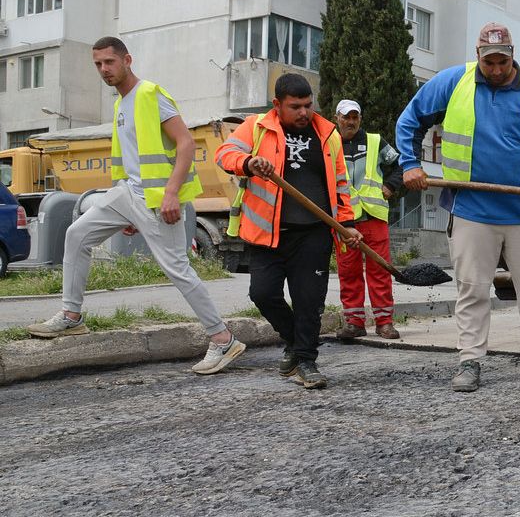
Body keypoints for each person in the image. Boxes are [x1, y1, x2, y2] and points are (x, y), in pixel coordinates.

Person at [26, 36, 245, 375]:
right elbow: (129, 162)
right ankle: (72, 316)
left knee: (178, 270)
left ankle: (223, 339)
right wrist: (123, 212)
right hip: (128, 194)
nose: (103, 70)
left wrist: (171, 193)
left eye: (109, 62)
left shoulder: (149, 94)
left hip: (158, 201)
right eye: (98, 64)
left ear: (126, 60)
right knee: (77, 234)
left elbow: (186, 144)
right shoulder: (120, 104)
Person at [396, 21, 520, 392]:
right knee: (473, 289)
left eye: (502, 61)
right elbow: (410, 120)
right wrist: (410, 164)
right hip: (472, 210)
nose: (496, 70)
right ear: (477, 57)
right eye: (489, 63)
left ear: (513, 56)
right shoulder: (454, 82)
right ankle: (470, 361)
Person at [215, 74, 362, 389]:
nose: (304, 113)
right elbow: (224, 155)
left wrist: (347, 223)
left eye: (308, 105)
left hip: (313, 233)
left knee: (310, 300)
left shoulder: (327, 134)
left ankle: (306, 361)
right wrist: (248, 162)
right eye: (295, 107)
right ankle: (295, 342)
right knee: (263, 294)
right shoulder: (256, 127)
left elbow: (340, 185)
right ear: (277, 105)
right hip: (268, 233)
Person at [332, 99, 405, 340]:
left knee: (379, 270)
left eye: (354, 117)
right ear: (337, 118)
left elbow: (399, 166)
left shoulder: (375, 141)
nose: (350, 121)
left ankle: (384, 322)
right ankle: (354, 323)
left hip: (374, 217)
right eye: (346, 117)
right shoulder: (330, 144)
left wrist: (391, 186)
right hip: (342, 220)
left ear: (360, 119)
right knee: (348, 270)